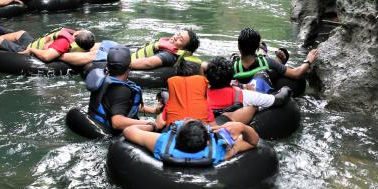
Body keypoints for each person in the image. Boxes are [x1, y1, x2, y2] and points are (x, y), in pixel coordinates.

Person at [87, 46, 162, 131]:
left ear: (107, 65)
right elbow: (117, 122)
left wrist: (153, 110)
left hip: (96, 125)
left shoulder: (103, 80)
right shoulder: (122, 90)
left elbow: (119, 104)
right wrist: (152, 123)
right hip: (110, 136)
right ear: (130, 66)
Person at [123, 118, 259, 164]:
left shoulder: (161, 142)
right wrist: (242, 126)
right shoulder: (220, 151)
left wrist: (153, 125)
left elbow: (128, 131)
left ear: (175, 138)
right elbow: (253, 142)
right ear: (208, 142)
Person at [226, 28, 318, 92]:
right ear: (256, 48)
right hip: (265, 73)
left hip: (243, 82)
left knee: (235, 57)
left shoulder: (231, 66)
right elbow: (296, 73)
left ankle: (263, 51)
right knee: (269, 62)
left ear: (238, 46)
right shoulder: (267, 62)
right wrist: (308, 60)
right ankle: (272, 55)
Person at [205, 56, 291, 123]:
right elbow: (280, 100)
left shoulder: (200, 95)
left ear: (207, 78)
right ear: (231, 77)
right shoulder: (244, 95)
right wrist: (285, 88)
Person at [0, 26, 97, 63]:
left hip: (29, 51)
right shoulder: (78, 40)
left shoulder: (63, 42)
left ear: (76, 36)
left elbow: (46, 56)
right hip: (34, 44)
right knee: (21, 33)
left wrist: (32, 51)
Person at [130, 29, 201, 70]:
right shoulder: (164, 44)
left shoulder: (169, 55)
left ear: (184, 49)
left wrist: (122, 64)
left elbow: (148, 63)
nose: (176, 37)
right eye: (178, 34)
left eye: (180, 39)